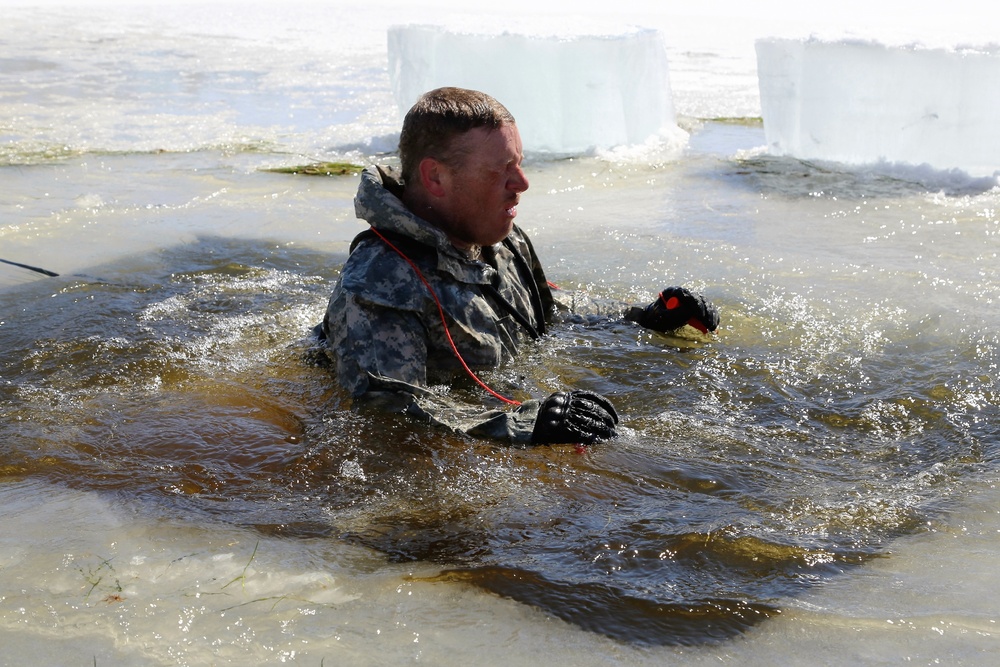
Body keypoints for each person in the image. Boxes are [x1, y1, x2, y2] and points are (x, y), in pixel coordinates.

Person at [320, 87, 718, 446]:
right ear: (436, 177)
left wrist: (640, 316)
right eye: (499, 171)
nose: (523, 183)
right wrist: (526, 424)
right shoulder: (379, 282)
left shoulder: (500, 237)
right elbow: (386, 409)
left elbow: (546, 306)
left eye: (520, 164)